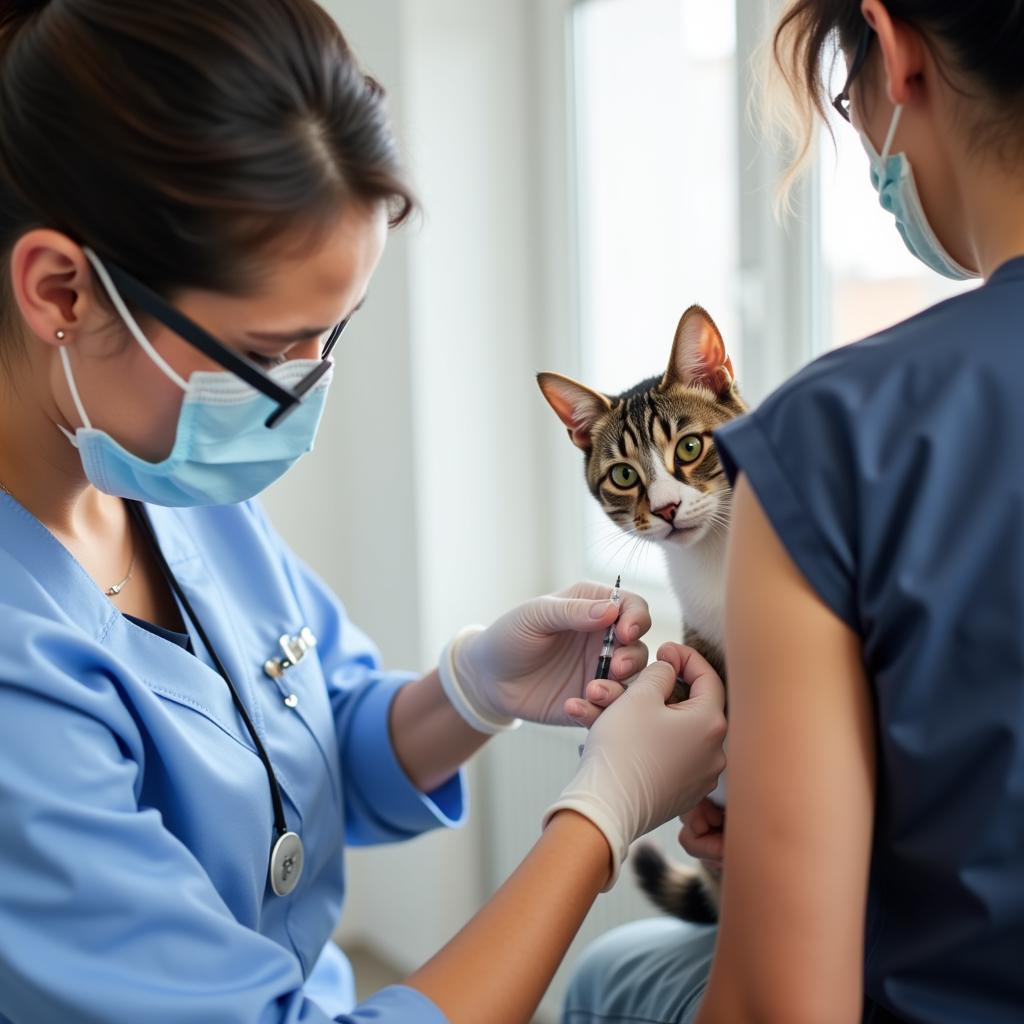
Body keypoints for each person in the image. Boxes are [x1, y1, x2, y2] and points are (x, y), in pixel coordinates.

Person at [0, 2, 730, 1022]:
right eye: (263, 353)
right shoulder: (16, 677)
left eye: (330, 338)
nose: (299, 393)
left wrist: (472, 689)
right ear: (63, 291)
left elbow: (313, 749)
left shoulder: (170, 486)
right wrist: (598, 817)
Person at [563, 1, 1024, 1022]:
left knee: (605, 974)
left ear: (895, 53)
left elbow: (785, 1004)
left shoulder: (830, 436)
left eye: (841, 97)